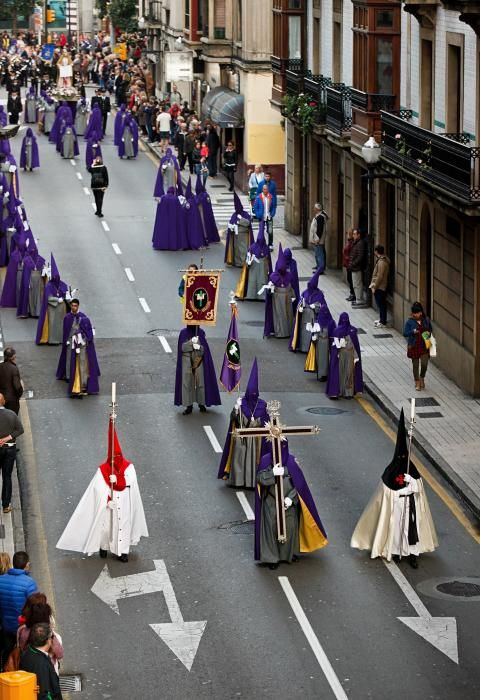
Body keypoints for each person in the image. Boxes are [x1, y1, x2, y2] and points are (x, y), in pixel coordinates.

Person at [351, 409, 438, 569]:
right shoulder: (390, 471)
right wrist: (399, 491)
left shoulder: (411, 471)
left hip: (411, 506)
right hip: (396, 506)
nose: (402, 460)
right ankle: (397, 552)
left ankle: (412, 555)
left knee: (410, 531)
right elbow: (386, 491)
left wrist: (410, 481)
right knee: (397, 532)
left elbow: (418, 489)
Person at [56, 417, 148, 562]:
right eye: (114, 457)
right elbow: (97, 489)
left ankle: (122, 552)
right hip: (109, 504)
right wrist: (106, 500)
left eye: (118, 456)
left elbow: (131, 482)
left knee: (122, 526)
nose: (116, 459)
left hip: (124, 503)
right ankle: (103, 547)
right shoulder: (103, 469)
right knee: (106, 527)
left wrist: (117, 480)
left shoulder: (129, 467)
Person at [255, 439, 328, 569]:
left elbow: (300, 486)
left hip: (288, 502)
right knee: (270, 528)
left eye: (282, 445)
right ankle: (272, 558)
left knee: (289, 528)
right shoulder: (266, 460)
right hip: (271, 501)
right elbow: (260, 479)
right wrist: (272, 473)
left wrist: (290, 499)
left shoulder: (292, 462)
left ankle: (286, 555)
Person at [218, 359, 270, 488]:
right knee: (239, 459)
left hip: (256, 440)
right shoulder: (242, 403)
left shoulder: (262, 405)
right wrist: (236, 410)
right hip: (241, 437)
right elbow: (233, 420)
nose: (252, 395)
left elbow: (267, 423)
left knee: (253, 460)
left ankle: (252, 482)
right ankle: (238, 481)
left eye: (254, 393)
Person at [55, 299, 100, 397]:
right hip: (70, 341)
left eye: (75, 306)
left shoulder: (83, 317)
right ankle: (68, 375)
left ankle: (80, 380)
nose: (73, 307)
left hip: (80, 344)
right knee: (68, 359)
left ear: (78, 306)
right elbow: (66, 330)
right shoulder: (67, 317)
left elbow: (87, 332)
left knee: (81, 362)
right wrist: (66, 340)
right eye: (72, 305)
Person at [174, 325, 221, 414]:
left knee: (201, 383)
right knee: (187, 384)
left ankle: (201, 403)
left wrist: (199, 347)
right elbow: (182, 348)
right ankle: (189, 406)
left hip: (198, 360)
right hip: (186, 361)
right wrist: (191, 342)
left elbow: (204, 350)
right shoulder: (183, 332)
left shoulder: (201, 332)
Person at [0, 551, 37, 662]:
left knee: (7, 652)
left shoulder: (1, 580)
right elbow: (35, 606)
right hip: (22, 627)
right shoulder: (29, 583)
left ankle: (5, 672)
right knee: (23, 653)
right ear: (27, 565)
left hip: (5, 625)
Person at [18, 595, 64, 672]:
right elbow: (60, 654)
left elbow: (22, 648)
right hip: (48, 670)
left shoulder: (22, 631)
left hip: (28, 668)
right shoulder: (51, 636)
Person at [19, 622, 63, 699]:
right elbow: (44, 694)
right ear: (48, 640)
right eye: (52, 637)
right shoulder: (42, 665)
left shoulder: (28, 651)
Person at [326, 312, 363, 399]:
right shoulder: (353, 330)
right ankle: (348, 393)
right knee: (349, 374)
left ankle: (338, 391)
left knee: (340, 373)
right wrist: (356, 357)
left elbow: (334, 346)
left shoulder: (336, 331)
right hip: (350, 355)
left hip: (340, 355)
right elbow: (356, 346)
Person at [36, 254, 70, 346]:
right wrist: (56, 300)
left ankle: (60, 339)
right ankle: (52, 340)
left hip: (61, 309)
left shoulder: (62, 284)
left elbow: (66, 293)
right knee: (52, 324)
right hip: (52, 308)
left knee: (60, 325)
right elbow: (48, 298)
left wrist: (66, 297)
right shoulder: (49, 286)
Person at [290, 268, 326, 354]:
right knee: (304, 334)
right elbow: (300, 302)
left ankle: (311, 349)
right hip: (304, 318)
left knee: (311, 334)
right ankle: (303, 348)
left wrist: (316, 306)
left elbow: (323, 307)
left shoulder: (319, 294)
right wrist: (300, 307)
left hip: (313, 318)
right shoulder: (305, 292)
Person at [235, 220, 272, 301]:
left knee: (260, 281)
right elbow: (248, 257)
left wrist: (268, 269)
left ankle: (261, 296)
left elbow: (269, 261)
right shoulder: (253, 247)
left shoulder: (265, 248)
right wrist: (248, 262)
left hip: (262, 268)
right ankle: (251, 295)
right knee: (253, 281)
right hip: (254, 267)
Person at [263, 245, 295, 339]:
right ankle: (286, 332)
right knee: (286, 315)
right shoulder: (286, 275)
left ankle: (281, 332)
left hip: (279, 298)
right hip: (284, 297)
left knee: (280, 315)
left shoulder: (274, 276)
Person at [403, 301, 433, 392]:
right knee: (415, 365)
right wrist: (413, 332)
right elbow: (405, 333)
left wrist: (428, 335)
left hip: (424, 345)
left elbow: (430, 329)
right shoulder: (409, 322)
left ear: (421, 312)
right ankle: (417, 382)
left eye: (417, 313)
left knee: (424, 364)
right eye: (414, 313)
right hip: (414, 345)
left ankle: (422, 377)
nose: (416, 315)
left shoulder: (426, 320)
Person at [152, 186, 189, 251]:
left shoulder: (163, 197)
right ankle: (172, 245)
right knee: (172, 232)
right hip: (173, 219)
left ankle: (162, 245)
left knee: (164, 231)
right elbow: (179, 210)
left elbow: (159, 209)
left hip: (164, 218)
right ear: (173, 192)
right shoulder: (175, 199)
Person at [225, 192, 254, 268]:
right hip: (235, 234)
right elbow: (231, 222)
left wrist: (240, 220)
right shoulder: (234, 214)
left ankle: (243, 263)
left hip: (243, 234)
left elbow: (248, 223)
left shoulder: (245, 214)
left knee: (243, 249)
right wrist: (231, 226)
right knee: (236, 249)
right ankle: (237, 263)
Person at [194, 175, 220, 244]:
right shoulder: (199, 195)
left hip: (205, 213)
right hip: (201, 213)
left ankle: (208, 237)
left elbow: (199, 201)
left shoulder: (204, 195)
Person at [369, 244, 390, 327]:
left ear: (376, 251)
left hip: (380, 287)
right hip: (381, 286)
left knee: (381, 304)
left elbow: (380, 276)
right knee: (381, 304)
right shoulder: (382, 260)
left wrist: (375, 286)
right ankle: (382, 319)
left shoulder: (381, 262)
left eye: (375, 251)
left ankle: (383, 321)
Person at [348, 229, 368, 307]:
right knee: (355, 284)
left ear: (359, 235)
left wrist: (353, 264)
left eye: (355, 234)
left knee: (357, 284)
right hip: (354, 267)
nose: (353, 235)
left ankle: (359, 300)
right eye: (353, 234)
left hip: (357, 268)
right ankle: (358, 299)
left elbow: (360, 256)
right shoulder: (356, 242)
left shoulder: (360, 243)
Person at [0, 348, 23, 414]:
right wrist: (19, 394)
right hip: (11, 402)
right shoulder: (14, 368)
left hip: (1, 399)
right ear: (13, 357)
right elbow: (17, 387)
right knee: (11, 420)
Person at [253, 184, 276, 250]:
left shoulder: (271, 197)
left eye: (266, 189)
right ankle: (261, 244)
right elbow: (255, 207)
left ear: (268, 189)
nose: (265, 190)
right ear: (262, 190)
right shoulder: (258, 197)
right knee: (261, 231)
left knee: (270, 231)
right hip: (261, 217)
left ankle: (270, 244)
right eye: (264, 189)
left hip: (269, 216)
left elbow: (274, 206)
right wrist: (258, 214)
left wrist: (273, 213)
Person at [309, 203, 328, 273]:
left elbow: (320, 230)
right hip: (318, 239)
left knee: (320, 254)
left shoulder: (320, 217)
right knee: (318, 253)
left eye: (314, 208)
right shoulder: (318, 216)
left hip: (319, 240)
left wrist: (317, 239)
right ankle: (319, 266)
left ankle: (320, 269)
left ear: (317, 209)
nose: (313, 209)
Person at [343, 229, 355, 301]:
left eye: (347, 233)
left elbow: (351, 253)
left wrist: (349, 260)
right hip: (348, 263)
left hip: (350, 264)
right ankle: (352, 293)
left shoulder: (352, 243)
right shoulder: (349, 242)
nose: (347, 234)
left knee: (351, 279)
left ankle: (353, 294)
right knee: (349, 279)